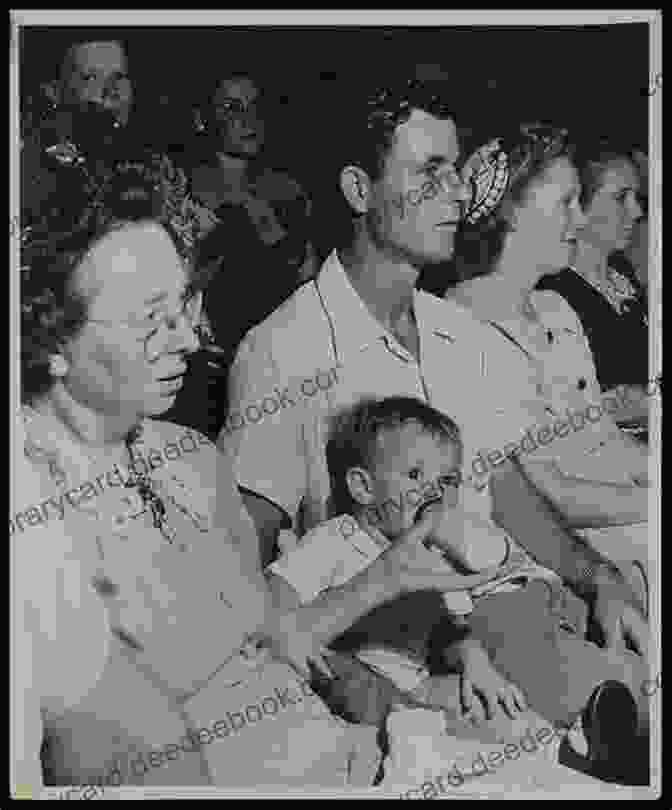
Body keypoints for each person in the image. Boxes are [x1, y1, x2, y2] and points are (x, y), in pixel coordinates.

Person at [219, 80, 648, 754]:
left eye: (457, 168)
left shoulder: (460, 333)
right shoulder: (283, 351)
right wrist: (378, 699)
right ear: (359, 190)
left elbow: (504, 490)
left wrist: (600, 579)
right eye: (430, 172)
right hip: (419, 641)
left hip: (523, 606)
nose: (457, 192)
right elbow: (241, 573)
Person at [17, 160, 456, 789]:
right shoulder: (33, 508)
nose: (189, 340)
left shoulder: (192, 457)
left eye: (185, 307)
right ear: (51, 336)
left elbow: (274, 639)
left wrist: (396, 703)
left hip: (355, 759)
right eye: (150, 321)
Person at [268, 396, 650, 784]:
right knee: (458, 730)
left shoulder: (433, 556)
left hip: (421, 682)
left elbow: (450, 626)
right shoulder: (337, 539)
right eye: (415, 475)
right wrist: (299, 634)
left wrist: (475, 664)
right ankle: (574, 758)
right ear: (363, 487)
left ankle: (582, 753)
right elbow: (280, 589)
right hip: (366, 684)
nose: (434, 492)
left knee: (509, 714)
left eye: (446, 481)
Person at [446, 126, 651, 564]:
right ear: (513, 212)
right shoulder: (464, 324)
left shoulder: (556, 309)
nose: (579, 220)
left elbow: (606, 440)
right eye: (565, 204)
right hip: (555, 544)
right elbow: (546, 492)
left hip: (618, 512)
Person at [190, 71, 319, 362]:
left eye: (255, 106)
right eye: (232, 108)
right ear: (202, 119)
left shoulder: (289, 192)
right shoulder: (185, 193)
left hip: (289, 357)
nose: (250, 120)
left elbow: (310, 287)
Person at [536, 137, 650, 428]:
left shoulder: (624, 276)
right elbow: (559, 415)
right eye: (620, 197)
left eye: (636, 198)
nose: (636, 211)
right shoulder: (554, 292)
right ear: (579, 205)